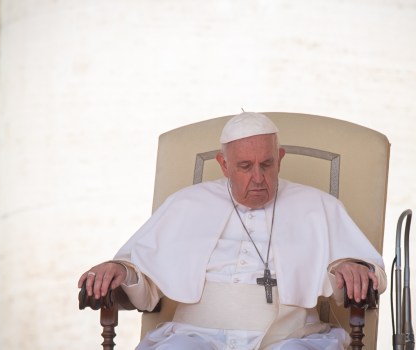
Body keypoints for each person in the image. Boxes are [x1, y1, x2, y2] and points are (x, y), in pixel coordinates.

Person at [79, 112, 387, 350]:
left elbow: (363, 269)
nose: (258, 178)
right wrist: (120, 270)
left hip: (289, 338)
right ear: (224, 165)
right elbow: (143, 282)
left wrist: (351, 267)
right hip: (195, 337)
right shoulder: (186, 203)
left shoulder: (318, 205)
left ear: (279, 160)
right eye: (244, 166)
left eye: (266, 164)